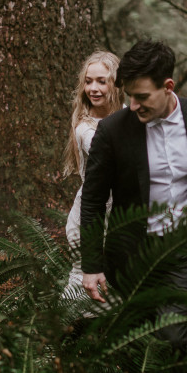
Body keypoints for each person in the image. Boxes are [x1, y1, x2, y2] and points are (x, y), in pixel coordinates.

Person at [78, 39, 187, 353]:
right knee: (134, 339)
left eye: (142, 97)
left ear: (169, 86)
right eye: (129, 96)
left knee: (170, 337)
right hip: (131, 255)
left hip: (181, 250)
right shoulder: (113, 130)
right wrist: (92, 265)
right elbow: (93, 199)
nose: (133, 105)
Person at [63, 51, 123, 298]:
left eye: (101, 81)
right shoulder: (85, 127)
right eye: (88, 81)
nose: (93, 88)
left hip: (120, 215)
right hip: (90, 217)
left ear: (116, 84)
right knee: (84, 279)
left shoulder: (130, 114)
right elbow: (108, 152)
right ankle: (61, 331)